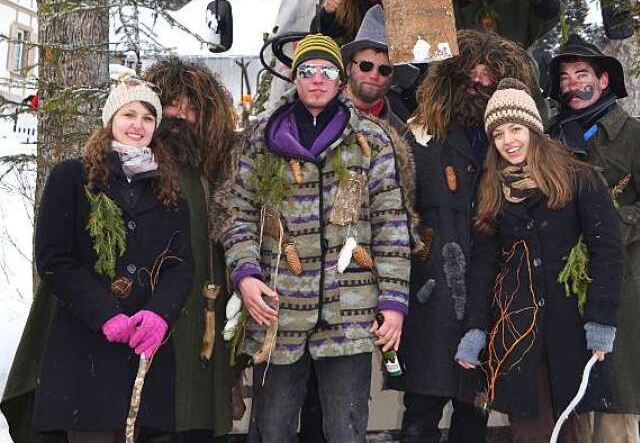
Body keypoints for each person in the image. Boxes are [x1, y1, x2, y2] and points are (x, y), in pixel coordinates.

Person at [221, 33, 411, 443]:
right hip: (278, 308)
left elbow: (392, 224)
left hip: (349, 311)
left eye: (327, 71)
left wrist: (394, 303)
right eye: (308, 71)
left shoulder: (371, 140)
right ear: (295, 78)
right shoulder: (261, 141)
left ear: (341, 81)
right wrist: (246, 275)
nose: (318, 79)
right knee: (272, 426)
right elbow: (238, 214)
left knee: (346, 428)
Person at [7, 78, 193, 443]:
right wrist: (105, 314)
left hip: (143, 356)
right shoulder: (72, 177)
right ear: (111, 119)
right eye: (129, 114)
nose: (138, 125)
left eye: (148, 117)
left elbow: (180, 265)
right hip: (84, 351)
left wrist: (159, 314)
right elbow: (53, 258)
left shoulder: (169, 191)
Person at [454, 79, 624, 443]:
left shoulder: (578, 177)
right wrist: (475, 329)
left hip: (570, 330)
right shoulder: (491, 188)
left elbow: (607, 251)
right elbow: (484, 266)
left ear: (533, 128)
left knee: (569, 431)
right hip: (517, 334)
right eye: (498, 133)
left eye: (515, 129)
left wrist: (601, 320)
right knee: (529, 433)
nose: (508, 141)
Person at [396, 29, 544, 443]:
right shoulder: (420, 138)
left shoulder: (509, 143)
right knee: (421, 410)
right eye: (471, 75)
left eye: (489, 78)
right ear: (450, 80)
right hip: (432, 292)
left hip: (490, 292)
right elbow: (396, 211)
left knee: (474, 410)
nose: (479, 84)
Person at [548, 36, 640, 443]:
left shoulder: (636, 136)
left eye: (582, 74)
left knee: (614, 407)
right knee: (572, 406)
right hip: (561, 287)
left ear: (604, 79)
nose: (573, 84)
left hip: (615, 286)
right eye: (566, 77)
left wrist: (611, 226)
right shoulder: (550, 137)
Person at [144, 58, 238, 443]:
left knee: (200, 412)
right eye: (171, 104)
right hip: (150, 312)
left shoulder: (216, 170)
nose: (180, 115)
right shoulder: (135, 167)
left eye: (191, 106)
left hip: (207, 310)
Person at [341, 3, 419, 129]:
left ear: (392, 77)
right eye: (365, 66)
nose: (374, 75)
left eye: (384, 70)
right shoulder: (317, 114)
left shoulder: (402, 136)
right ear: (349, 68)